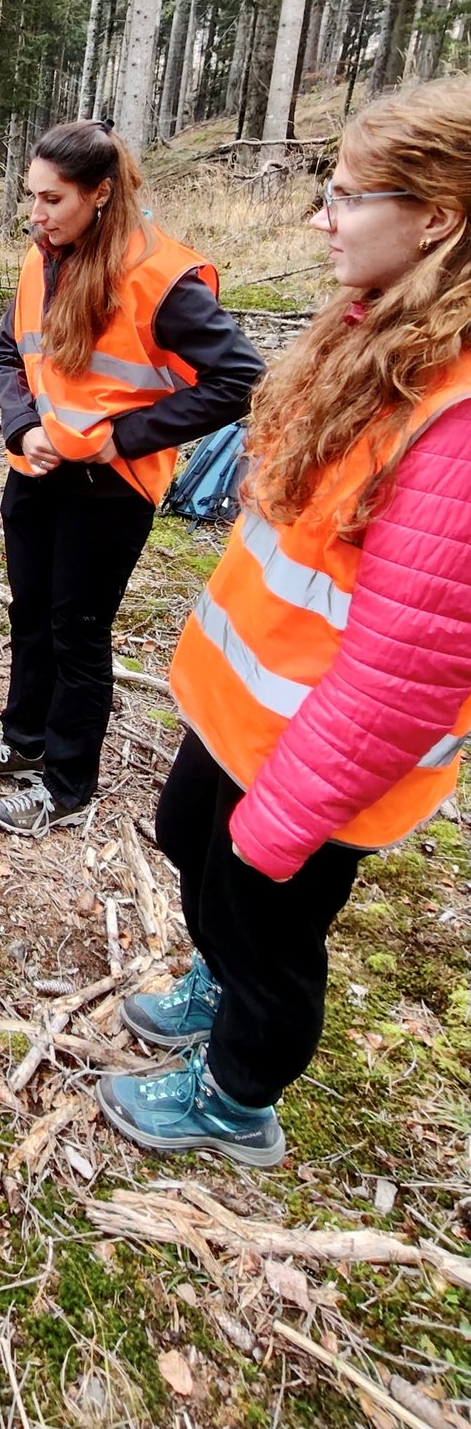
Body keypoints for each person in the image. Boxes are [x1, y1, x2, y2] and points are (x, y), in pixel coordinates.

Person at [98, 87, 471, 1167]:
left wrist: (287, 818)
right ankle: (220, 974)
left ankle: (236, 1098)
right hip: (247, 715)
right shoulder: (375, 340)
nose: (321, 218)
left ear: (438, 218)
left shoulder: (452, 421)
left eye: (347, 197)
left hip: (317, 757)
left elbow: (405, 676)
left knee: (270, 935)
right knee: (189, 843)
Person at [0, 120, 263, 836]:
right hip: (35, 473)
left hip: (111, 492)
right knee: (30, 613)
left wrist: (121, 439)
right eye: (32, 196)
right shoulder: (41, 256)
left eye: (52, 199)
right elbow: (8, 353)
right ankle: (22, 739)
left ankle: (67, 783)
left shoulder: (161, 276)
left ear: (101, 193)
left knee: (78, 631)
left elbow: (240, 379)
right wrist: (22, 427)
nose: (36, 214)